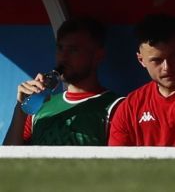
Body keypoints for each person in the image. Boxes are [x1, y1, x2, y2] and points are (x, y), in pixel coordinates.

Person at [4, 17, 120, 146]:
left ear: (98, 56)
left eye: (73, 50)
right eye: (60, 48)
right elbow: (9, 162)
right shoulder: (39, 106)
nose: (63, 57)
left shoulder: (117, 107)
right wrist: (20, 109)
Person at [108, 14, 175, 146]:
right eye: (157, 60)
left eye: (174, 56)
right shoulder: (130, 107)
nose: (167, 68)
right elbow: (118, 162)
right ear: (141, 60)